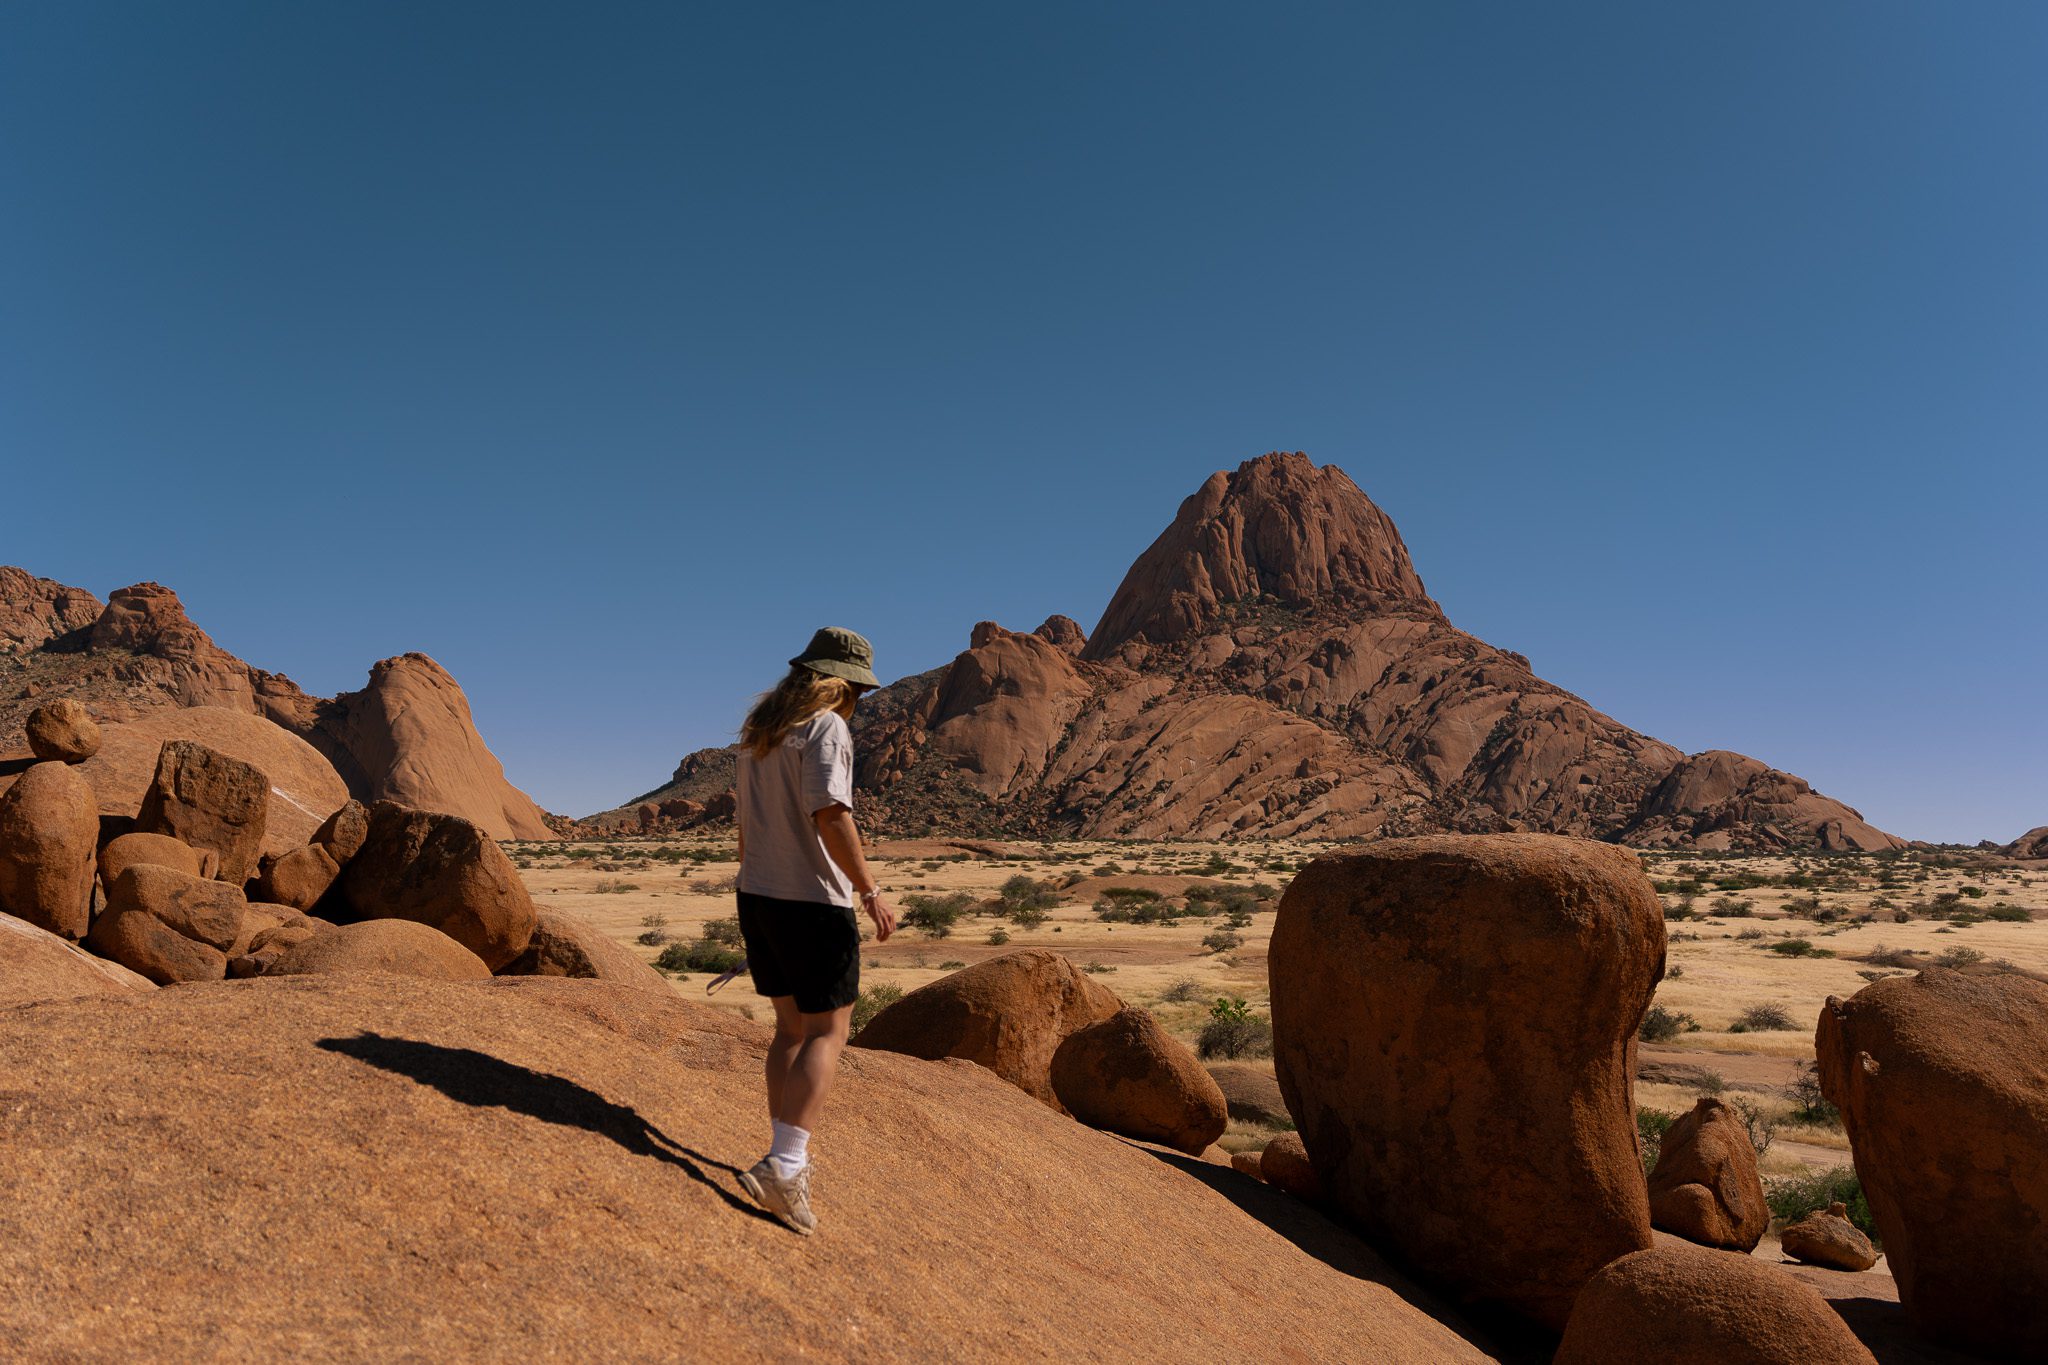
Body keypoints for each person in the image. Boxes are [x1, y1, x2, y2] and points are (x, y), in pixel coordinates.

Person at [732, 626, 896, 1235]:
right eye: (859, 691)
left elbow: (745, 829)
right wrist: (869, 891)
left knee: (789, 1030)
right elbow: (830, 814)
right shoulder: (826, 726)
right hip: (811, 901)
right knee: (828, 1031)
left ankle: (783, 1159)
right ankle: (786, 1163)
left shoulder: (761, 733)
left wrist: (760, 896)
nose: (859, 702)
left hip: (759, 895)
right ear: (842, 685)